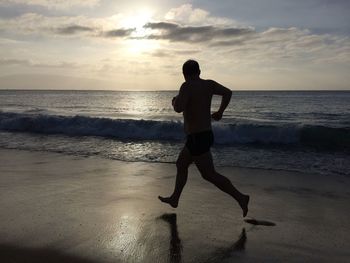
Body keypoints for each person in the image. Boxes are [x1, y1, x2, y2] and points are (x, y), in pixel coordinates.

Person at [158, 59, 250, 217]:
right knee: (181, 164)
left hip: (197, 138)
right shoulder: (209, 84)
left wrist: (174, 100)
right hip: (204, 135)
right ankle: (175, 198)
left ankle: (241, 197)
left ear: (184, 74)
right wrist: (220, 112)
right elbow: (228, 92)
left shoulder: (186, 86)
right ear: (199, 72)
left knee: (209, 175)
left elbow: (179, 108)